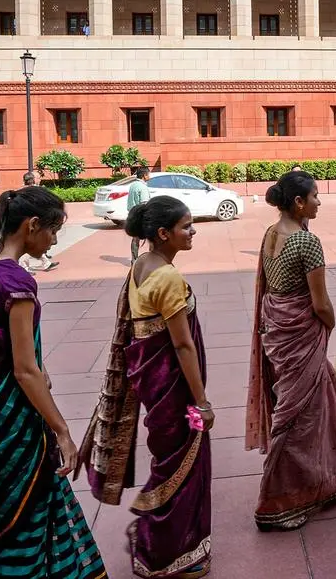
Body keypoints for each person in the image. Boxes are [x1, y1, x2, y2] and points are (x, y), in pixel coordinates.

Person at [0, 187, 105, 577]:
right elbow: (24, 368)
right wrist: (62, 431)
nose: (55, 240)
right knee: (22, 511)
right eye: (53, 230)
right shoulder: (15, 281)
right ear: (31, 226)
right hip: (9, 415)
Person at [79, 197, 212, 578]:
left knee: (167, 456)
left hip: (152, 382)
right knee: (181, 465)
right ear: (163, 233)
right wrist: (201, 402)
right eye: (187, 227)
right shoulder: (168, 277)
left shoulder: (141, 264)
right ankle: (168, 553)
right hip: (174, 386)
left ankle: (160, 541)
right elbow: (183, 344)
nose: (193, 232)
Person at [246, 172, 336, 531]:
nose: (318, 202)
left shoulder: (270, 234)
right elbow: (320, 302)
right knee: (297, 416)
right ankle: (276, 500)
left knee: (318, 395)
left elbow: (273, 290)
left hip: (277, 330)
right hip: (299, 332)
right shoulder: (305, 242)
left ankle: (335, 469)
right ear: (299, 202)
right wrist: (331, 324)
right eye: (315, 196)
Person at [19, 172, 59, 272]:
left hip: (33, 221)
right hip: (31, 222)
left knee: (36, 242)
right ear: (32, 179)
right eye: (38, 177)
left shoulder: (22, 191)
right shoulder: (32, 191)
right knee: (31, 243)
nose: (40, 179)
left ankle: (45, 263)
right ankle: (24, 267)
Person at [125, 165, 152, 260]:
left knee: (135, 239)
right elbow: (144, 203)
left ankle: (134, 259)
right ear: (144, 175)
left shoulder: (133, 185)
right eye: (149, 174)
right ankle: (153, 258)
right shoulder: (142, 187)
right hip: (141, 215)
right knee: (152, 237)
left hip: (132, 214)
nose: (150, 176)